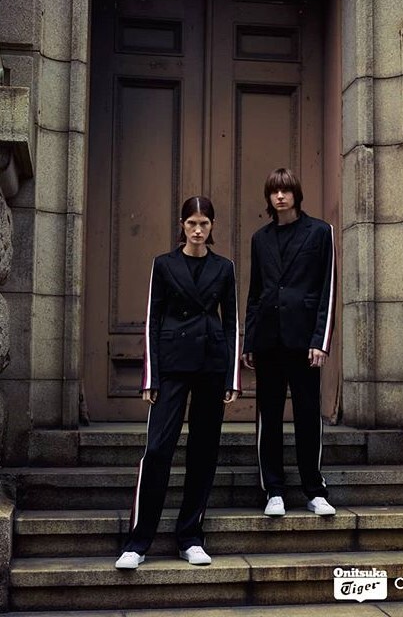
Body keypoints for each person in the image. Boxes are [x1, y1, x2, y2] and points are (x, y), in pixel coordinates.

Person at [115, 196, 241, 569]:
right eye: (191, 223)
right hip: (171, 366)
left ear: (212, 226)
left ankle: (190, 538)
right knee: (157, 450)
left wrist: (232, 376)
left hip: (211, 366)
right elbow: (152, 320)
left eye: (204, 223)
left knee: (203, 452)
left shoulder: (225, 268)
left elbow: (232, 323)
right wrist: (150, 376)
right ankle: (138, 542)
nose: (198, 230)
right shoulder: (164, 264)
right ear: (182, 225)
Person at [242, 168, 336, 517]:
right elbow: (255, 293)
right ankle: (274, 491)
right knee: (269, 417)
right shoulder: (260, 238)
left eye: (286, 190)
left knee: (308, 415)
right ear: (268, 197)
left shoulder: (320, 232)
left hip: (304, 341)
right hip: (268, 341)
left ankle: (315, 490)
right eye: (274, 191)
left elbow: (327, 289)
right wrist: (249, 340)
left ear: (296, 193)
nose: (280, 196)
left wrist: (320, 340)